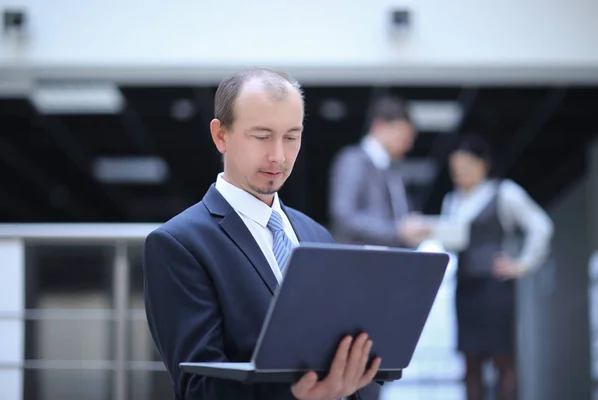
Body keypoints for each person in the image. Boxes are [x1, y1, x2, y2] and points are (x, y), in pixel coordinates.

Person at [142, 68, 382, 400]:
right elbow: (198, 389)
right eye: (261, 136)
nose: (278, 156)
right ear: (220, 135)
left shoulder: (316, 236)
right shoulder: (179, 244)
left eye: (291, 137)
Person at [405, 136, 554, 400]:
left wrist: (522, 264)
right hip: (465, 287)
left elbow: (540, 226)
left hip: (495, 288)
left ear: (482, 164)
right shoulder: (453, 201)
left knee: (502, 359)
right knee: (470, 362)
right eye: (455, 170)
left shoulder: (505, 192)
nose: (460, 174)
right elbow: (452, 241)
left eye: (466, 167)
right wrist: (431, 231)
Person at [328, 95, 421, 247]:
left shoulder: (391, 168)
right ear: (380, 126)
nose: (407, 145)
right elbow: (344, 215)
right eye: (403, 137)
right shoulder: (353, 160)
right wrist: (397, 230)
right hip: (360, 259)